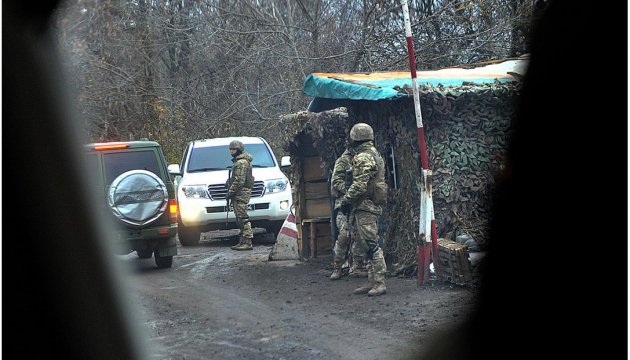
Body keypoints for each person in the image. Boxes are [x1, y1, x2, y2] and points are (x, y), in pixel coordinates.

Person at [339, 123, 388, 296]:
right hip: (367, 205)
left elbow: (359, 185)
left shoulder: (363, 157)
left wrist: (346, 200)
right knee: (365, 244)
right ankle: (371, 280)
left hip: (365, 206)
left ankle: (379, 282)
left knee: (371, 244)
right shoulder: (374, 154)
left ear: (355, 138)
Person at [329, 145, 368, 280]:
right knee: (344, 235)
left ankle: (357, 266)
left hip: (358, 204)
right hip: (344, 205)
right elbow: (336, 182)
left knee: (359, 236)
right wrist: (350, 190)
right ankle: (337, 267)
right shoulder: (343, 161)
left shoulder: (363, 159)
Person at [227, 140, 255, 251]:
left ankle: (247, 242)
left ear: (238, 150)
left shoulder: (241, 163)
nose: (231, 151)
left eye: (233, 149)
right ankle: (243, 241)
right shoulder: (239, 162)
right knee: (239, 217)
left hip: (241, 193)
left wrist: (230, 192)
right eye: (230, 149)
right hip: (240, 193)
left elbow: (239, 180)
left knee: (243, 218)